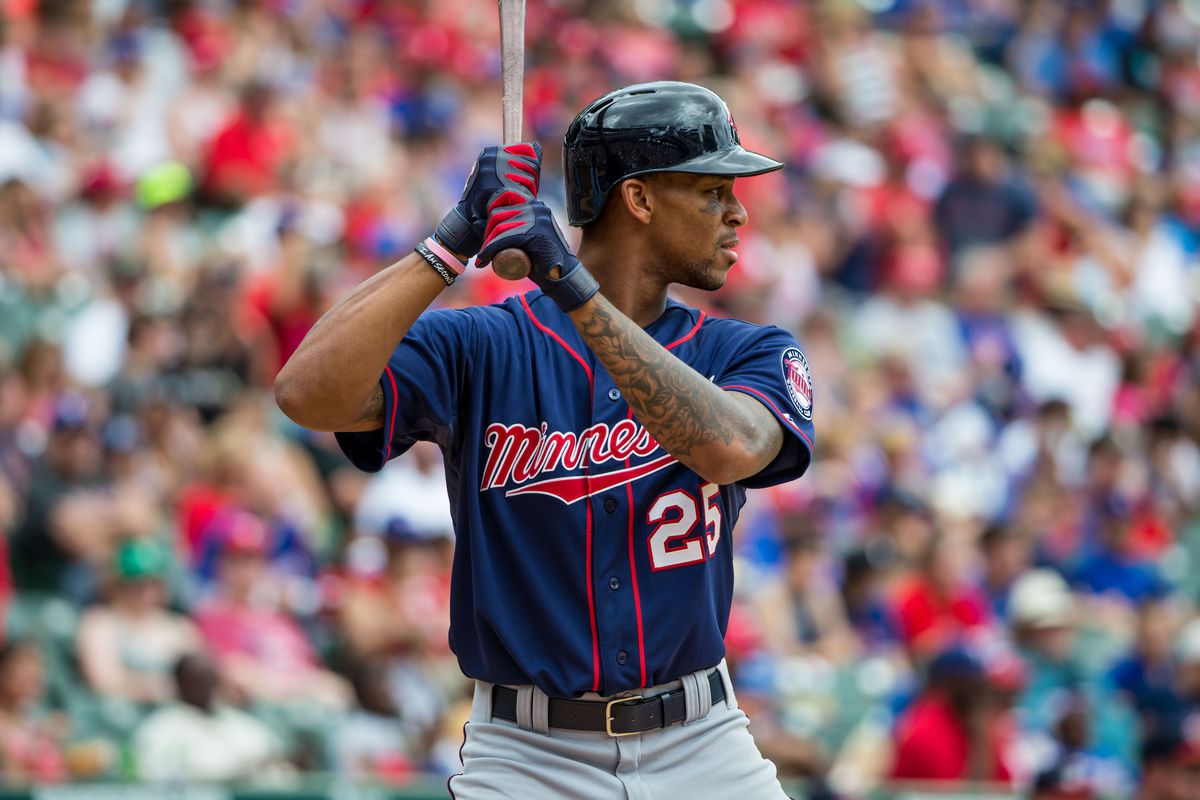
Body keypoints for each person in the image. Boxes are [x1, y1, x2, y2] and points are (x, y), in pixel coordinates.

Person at [275, 81, 816, 798]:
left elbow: (730, 447)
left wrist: (567, 281)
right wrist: (449, 242)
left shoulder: (743, 349)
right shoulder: (480, 344)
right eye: (713, 190)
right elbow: (306, 394)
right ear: (641, 199)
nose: (738, 213)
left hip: (704, 743)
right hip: (526, 756)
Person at [133, 652, 285, 783]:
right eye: (196, 681)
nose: (204, 687)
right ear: (180, 683)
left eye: (209, 680)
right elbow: (156, 775)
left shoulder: (238, 723)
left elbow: (268, 757)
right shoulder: (160, 728)